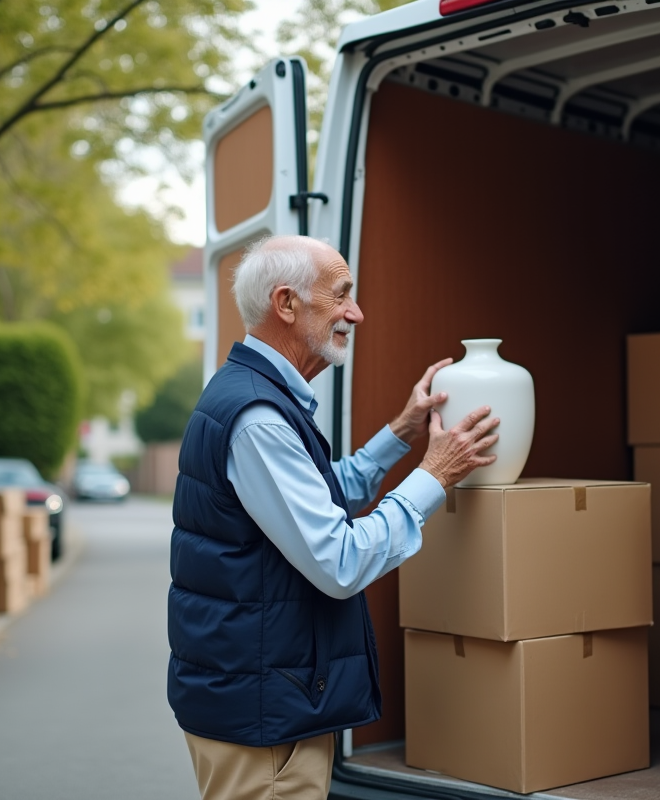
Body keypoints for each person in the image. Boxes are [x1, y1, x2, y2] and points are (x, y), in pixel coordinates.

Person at [167, 235, 499, 800]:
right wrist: (433, 478)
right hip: (264, 722)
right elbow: (338, 561)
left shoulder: (254, 396)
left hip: (259, 705)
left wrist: (401, 434)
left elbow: (311, 504)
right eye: (341, 295)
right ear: (287, 304)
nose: (356, 313)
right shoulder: (261, 419)